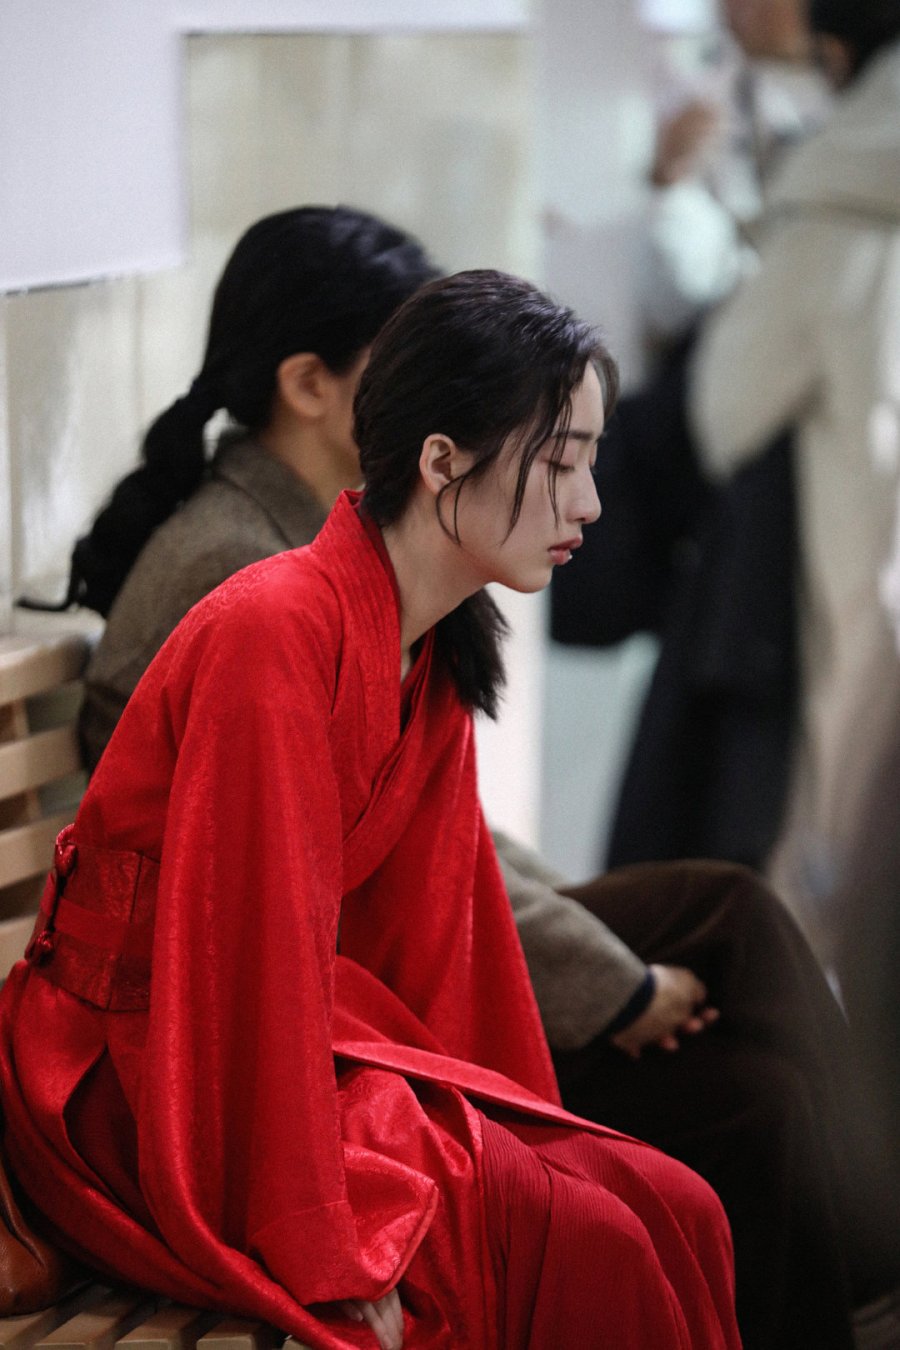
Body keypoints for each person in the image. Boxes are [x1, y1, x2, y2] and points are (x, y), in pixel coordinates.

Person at [62, 206, 895, 1348]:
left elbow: (440, 932)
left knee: (670, 1198)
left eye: (590, 463)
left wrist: (513, 1124)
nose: (590, 505)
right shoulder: (271, 624)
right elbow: (247, 954)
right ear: (439, 458)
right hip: (161, 1063)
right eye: (560, 464)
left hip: (322, 1026)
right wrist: (323, 1239)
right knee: (606, 1223)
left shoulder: (433, 632)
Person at [687, 0, 900, 969]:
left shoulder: (834, 206)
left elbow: (725, 413)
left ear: (837, 52)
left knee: (840, 864)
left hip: (861, 589)